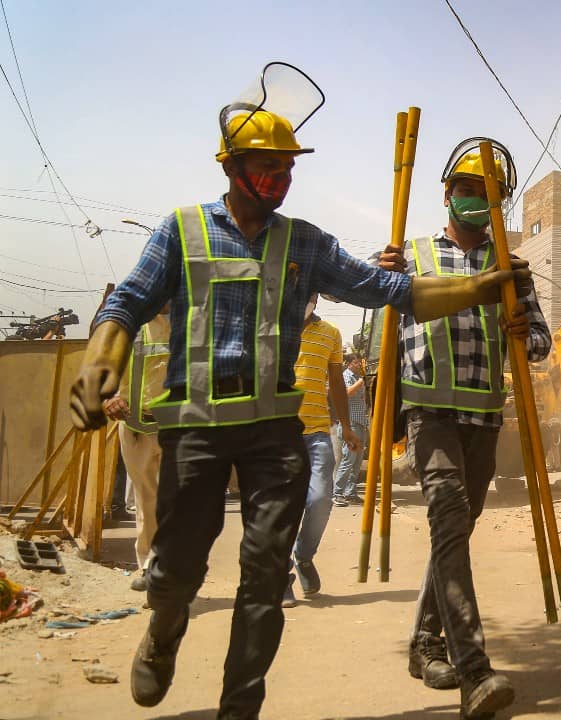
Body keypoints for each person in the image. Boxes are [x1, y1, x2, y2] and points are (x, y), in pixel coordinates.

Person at [68, 106, 530, 720]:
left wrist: (482, 286)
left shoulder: (304, 242)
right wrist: (98, 362)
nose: (280, 178)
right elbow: (126, 303)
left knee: (264, 581)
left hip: (275, 436)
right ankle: (163, 628)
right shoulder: (180, 230)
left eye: (287, 167)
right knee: (177, 568)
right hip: (197, 432)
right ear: (230, 167)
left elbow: (393, 292)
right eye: (266, 165)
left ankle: (240, 708)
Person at [390, 137, 549, 720]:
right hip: (429, 413)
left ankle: (425, 643)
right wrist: (379, 277)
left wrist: (520, 332)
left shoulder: (512, 268)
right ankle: (474, 670)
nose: (474, 201)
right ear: (447, 195)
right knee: (450, 515)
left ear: (499, 202)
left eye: (485, 194)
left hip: (484, 417)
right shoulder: (412, 256)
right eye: (464, 191)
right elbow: (376, 303)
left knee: (454, 531)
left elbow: (539, 341)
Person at [284, 297, 360, 607]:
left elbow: (337, 384)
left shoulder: (330, 333)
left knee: (319, 499)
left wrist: (347, 427)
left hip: (316, 431)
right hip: (277, 433)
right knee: (282, 509)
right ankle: (280, 576)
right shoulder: (269, 327)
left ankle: (303, 556)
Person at [102, 309, 170, 592]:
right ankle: (148, 564)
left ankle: (173, 566)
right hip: (136, 427)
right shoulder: (131, 325)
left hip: (178, 427)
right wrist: (110, 396)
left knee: (179, 499)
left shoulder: (194, 320)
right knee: (145, 499)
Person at [332, 352, 368, 506]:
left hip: (361, 423)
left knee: (357, 461)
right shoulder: (346, 376)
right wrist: (361, 382)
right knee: (348, 460)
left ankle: (350, 493)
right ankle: (337, 493)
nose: (359, 364)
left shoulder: (357, 377)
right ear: (348, 364)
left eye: (359, 362)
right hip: (351, 424)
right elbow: (346, 393)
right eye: (355, 362)